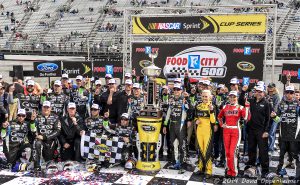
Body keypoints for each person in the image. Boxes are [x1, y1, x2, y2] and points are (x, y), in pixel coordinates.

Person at [239, 85, 271, 177]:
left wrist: (266, 131)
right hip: (251, 130)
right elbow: (241, 102)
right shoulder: (251, 101)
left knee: (263, 151)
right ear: (255, 92)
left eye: (260, 91)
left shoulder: (267, 103)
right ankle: (251, 166)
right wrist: (243, 92)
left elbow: (269, 119)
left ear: (263, 93)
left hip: (261, 131)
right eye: (257, 91)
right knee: (251, 149)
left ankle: (265, 170)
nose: (258, 93)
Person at [218, 91, 249, 177]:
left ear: (237, 97)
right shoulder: (225, 107)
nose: (232, 99)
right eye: (230, 97)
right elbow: (219, 117)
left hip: (236, 131)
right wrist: (221, 124)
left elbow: (246, 117)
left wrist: (246, 107)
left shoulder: (240, 107)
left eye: (234, 97)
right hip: (226, 131)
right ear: (228, 97)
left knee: (232, 153)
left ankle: (234, 172)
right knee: (227, 153)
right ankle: (228, 171)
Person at [271, 86, 300, 180]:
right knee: (282, 155)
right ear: (284, 93)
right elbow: (278, 120)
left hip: (295, 136)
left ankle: (298, 176)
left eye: (291, 92)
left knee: (296, 156)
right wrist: (274, 117)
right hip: (283, 135)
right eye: (287, 92)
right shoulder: (281, 104)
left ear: (294, 94)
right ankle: (280, 173)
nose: (289, 94)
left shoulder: (298, 104)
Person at [163, 84, 191, 174]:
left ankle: (183, 164)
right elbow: (168, 113)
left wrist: (189, 120)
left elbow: (190, 110)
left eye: (178, 89)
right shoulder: (171, 100)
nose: (176, 91)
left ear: (181, 90)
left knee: (182, 145)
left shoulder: (184, 100)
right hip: (172, 125)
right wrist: (165, 125)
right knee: (173, 145)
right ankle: (175, 162)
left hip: (181, 125)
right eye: (174, 89)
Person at [31, 101, 61, 170]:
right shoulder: (37, 117)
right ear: (42, 108)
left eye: (48, 107)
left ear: (50, 108)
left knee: (49, 160)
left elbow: (57, 131)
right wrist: (32, 121)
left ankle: (53, 160)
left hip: (51, 141)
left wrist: (45, 137)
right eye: (44, 107)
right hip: (40, 140)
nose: (46, 109)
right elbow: (32, 131)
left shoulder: (55, 117)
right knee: (37, 142)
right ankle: (37, 165)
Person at [193, 90, 216, 179]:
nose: (204, 98)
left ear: (210, 97)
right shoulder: (198, 106)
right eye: (203, 96)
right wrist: (196, 120)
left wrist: (211, 111)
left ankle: (208, 171)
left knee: (207, 151)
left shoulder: (212, 106)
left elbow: (213, 121)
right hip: (199, 131)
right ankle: (201, 168)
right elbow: (195, 117)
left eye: (206, 96)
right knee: (200, 150)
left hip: (208, 131)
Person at [266, 83, 280, 154]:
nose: (270, 88)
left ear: (274, 88)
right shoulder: (266, 95)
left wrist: (273, 114)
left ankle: (271, 148)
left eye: (271, 87)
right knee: (268, 132)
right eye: (269, 87)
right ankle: (269, 147)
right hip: (267, 116)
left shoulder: (276, 96)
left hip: (275, 116)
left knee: (272, 132)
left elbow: (276, 106)